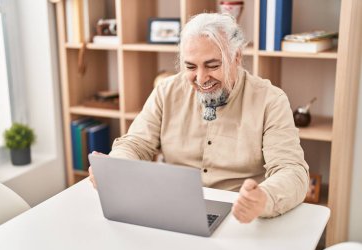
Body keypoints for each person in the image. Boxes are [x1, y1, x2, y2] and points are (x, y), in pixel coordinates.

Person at [89, 13, 309, 223]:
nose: (202, 78)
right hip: (173, 209)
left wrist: (264, 198)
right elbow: (135, 144)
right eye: (191, 67)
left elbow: (292, 171)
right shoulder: (167, 91)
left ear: (237, 57)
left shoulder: (271, 100)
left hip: (240, 217)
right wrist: (115, 168)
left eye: (213, 65)